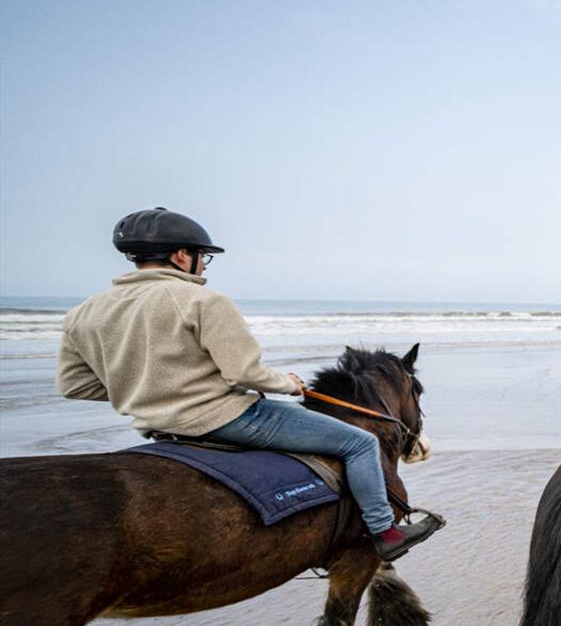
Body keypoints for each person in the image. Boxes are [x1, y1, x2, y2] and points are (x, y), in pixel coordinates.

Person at [57, 208, 442, 560]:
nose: (202, 267)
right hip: (225, 418)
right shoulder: (203, 300)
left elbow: (75, 385)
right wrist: (287, 384)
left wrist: (142, 385)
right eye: (201, 257)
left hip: (157, 427)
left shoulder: (84, 311)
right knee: (359, 442)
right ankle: (386, 534)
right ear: (180, 255)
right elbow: (245, 373)